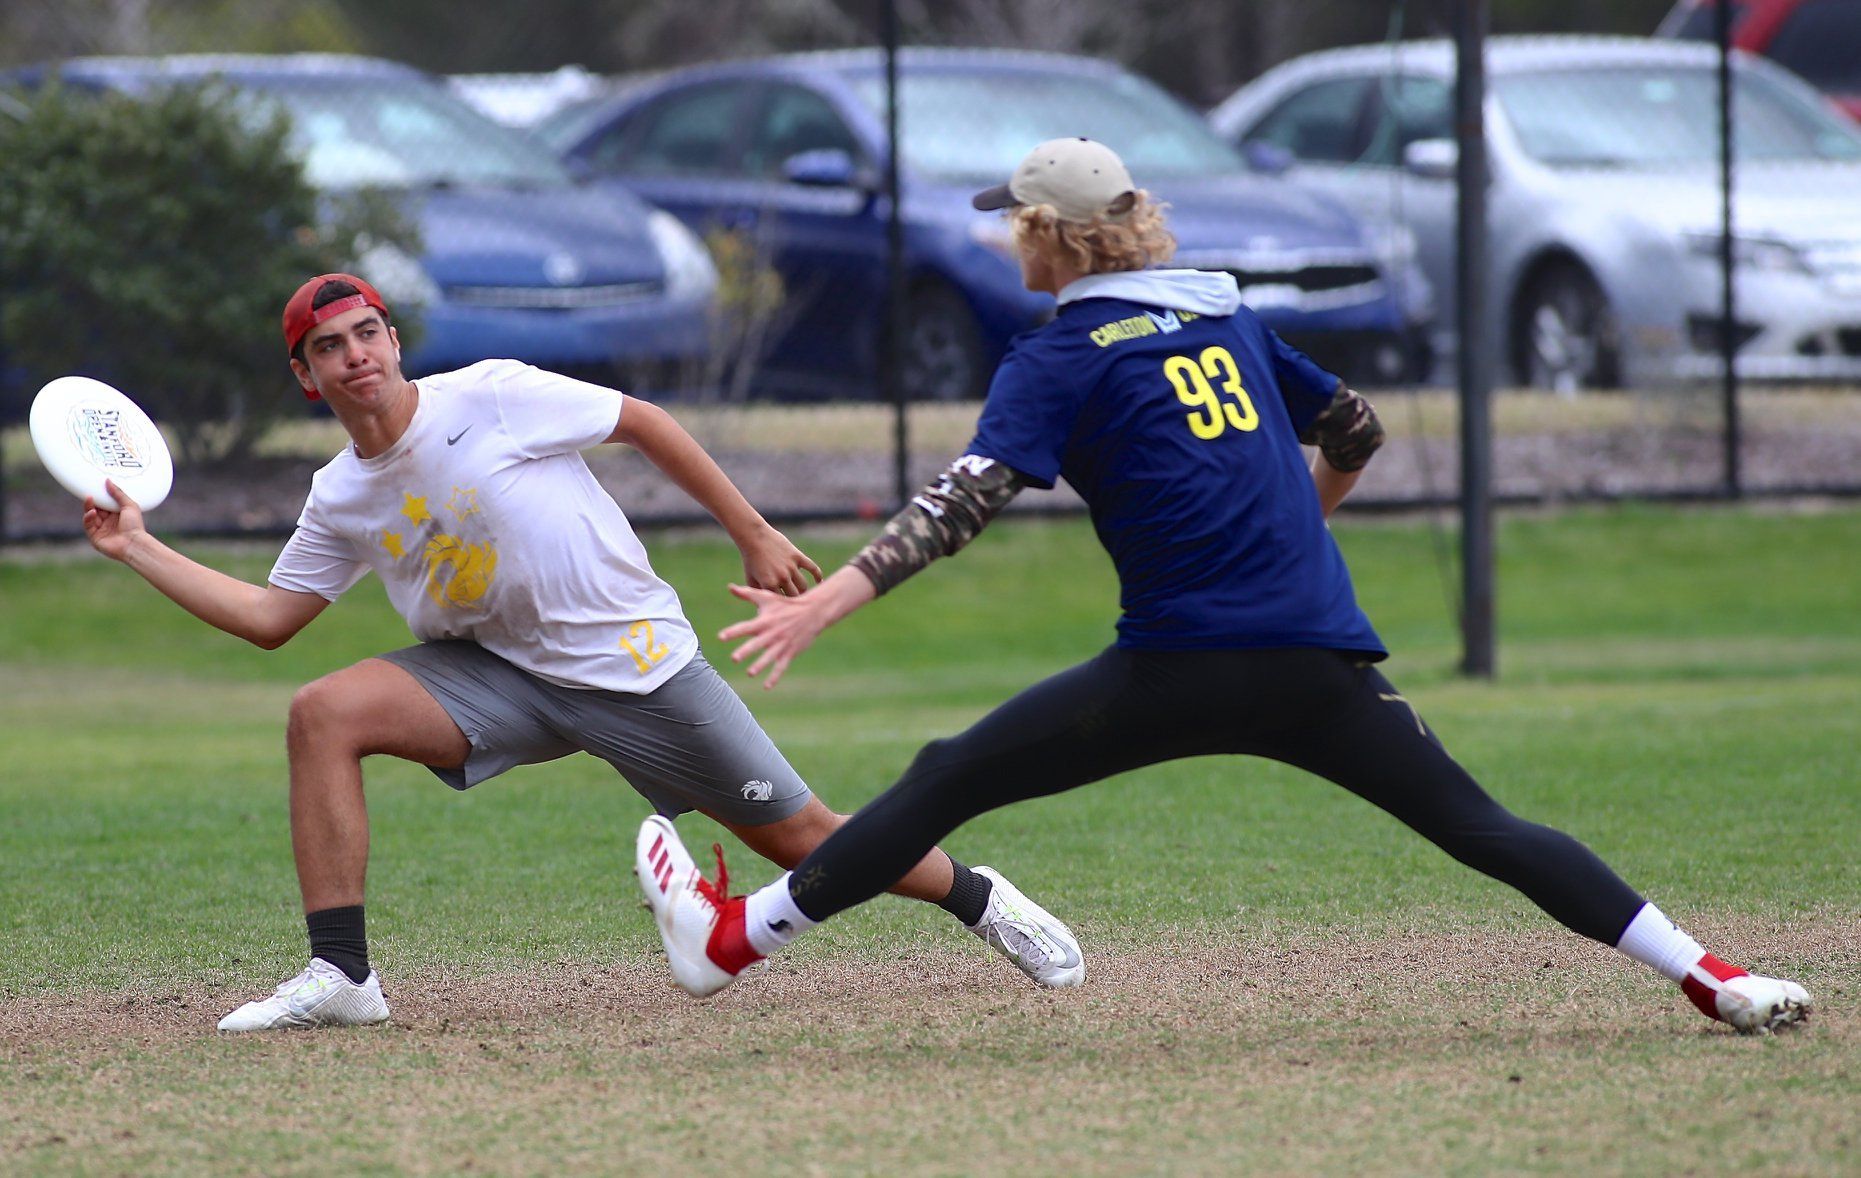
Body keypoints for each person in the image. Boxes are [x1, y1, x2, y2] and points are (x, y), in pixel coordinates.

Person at [636, 139, 1813, 1034]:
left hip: (1180, 667)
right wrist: (1295, 524)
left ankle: (732, 944)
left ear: (1053, 239)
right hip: (1312, 659)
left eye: (1014, 224)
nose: (1004, 240)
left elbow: (961, 502)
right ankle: (1711, 975)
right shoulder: (1225, 315)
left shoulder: (1056, 353)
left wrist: (826, 598)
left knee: (949, 774)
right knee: (1485, 827)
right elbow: (1354, 428)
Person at [81, 272, 1083, 1033]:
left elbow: (643, 422)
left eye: (367, 333)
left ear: (393, 339)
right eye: (328, 348)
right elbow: (269, 616)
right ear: (306, 377)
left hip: (632, 664)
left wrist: (751, 531)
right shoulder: (340, 493)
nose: (355, 356)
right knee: (321, 712)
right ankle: (343, 974)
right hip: (494, 676)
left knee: (802, 837)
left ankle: (979, 896)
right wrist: (136, 547)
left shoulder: (491, 394)